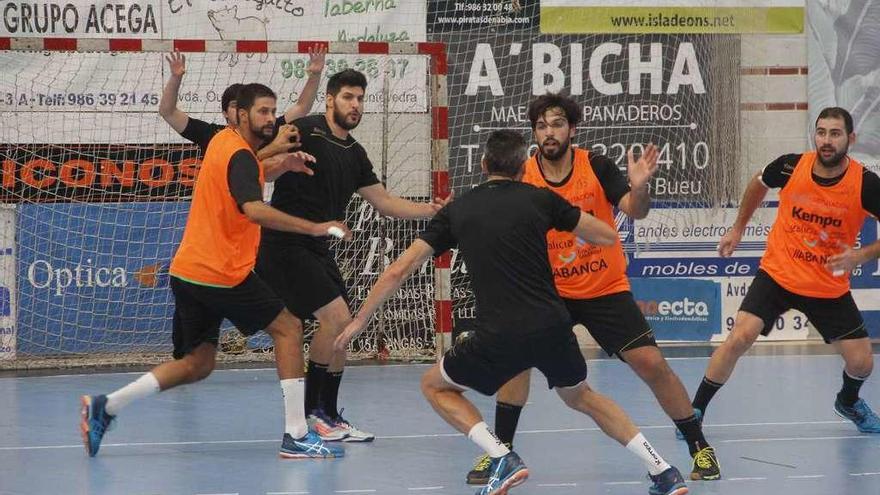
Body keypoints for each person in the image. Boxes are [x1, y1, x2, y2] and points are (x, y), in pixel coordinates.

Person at [335, 130, 689, 495]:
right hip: (554, 327)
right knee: (581, 396)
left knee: (434, 386)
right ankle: (662, 469)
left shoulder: (459, 209)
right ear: (523, 167)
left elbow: (398, 270)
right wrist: (579, 219)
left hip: (499, 334)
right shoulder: (542, 200)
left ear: (484, 164)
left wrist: (361, 319)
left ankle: (501, 455)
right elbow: (607, 236)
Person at [80, 83, 351, 459]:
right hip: (222, 272)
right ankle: (296, 435)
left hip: (189, 270)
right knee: (288, 328)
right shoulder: (239, 153)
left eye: (273, 111)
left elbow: (251, 169)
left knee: (198, 363)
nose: (271, 119)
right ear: (240, 114)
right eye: (263, 112)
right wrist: (315, 227)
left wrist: (281, 164)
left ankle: (105, 406)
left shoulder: (224, 143)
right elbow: (252, 209)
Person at [464, 94, 721, 484]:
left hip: (604, 288)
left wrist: (639, 188)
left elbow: (635, 210)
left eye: (557, 123)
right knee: (516, 364)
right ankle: (501, 452)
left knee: (651, 363)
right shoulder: (523, 174)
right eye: (541, 126)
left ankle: (698, 445)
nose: (549, 132)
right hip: (548, 294)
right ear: (534, 133)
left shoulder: (596, 166)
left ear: (572, 129)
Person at [256, 68, 452, 442]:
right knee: (337, 318)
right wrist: (283, 162)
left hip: (317, 247)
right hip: (282, 242)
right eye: (348, 97)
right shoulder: (305, 129)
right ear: (330, 100)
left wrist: (430, 210)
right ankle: (314, 413)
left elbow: (385, 203)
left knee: (344, 331)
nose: (355, 105)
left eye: (360, 98)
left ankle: (327, 413)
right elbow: (261, 171)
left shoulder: (356, 153)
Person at [691, 106, 880, 433]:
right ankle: (693, 413)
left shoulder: (865, 184)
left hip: (826, 287)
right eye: (821, 132)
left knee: (862, 362)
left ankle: (848, 402)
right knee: (739, 336)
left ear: (850, 138)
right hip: (778, 275)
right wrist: (738, 229)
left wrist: (862, 255)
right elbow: (758, 182)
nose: (826, 140)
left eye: (835, 134)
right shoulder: (791, 165)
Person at [158, 47, 326, 158]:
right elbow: (168, 112)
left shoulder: (264, 132)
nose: (239, 110)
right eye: (233, 105)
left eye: (243, 105)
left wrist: (315, 75)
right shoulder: (211, 134)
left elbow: (301, 107)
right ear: (224, 113)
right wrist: (176, 77)